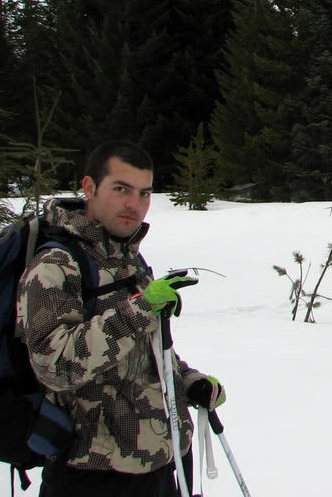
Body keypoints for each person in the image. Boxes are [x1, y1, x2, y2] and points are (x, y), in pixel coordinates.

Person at [16, 140, 226, 497]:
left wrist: (188, 381)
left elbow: (146, 347)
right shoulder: (56, 265)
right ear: (89, 188)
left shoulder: (127, 260)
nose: (135, 204)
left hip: (153, 462)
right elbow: (55, 366)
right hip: (92, 476)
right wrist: (143, 308)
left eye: (144, 193)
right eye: (121, 189)